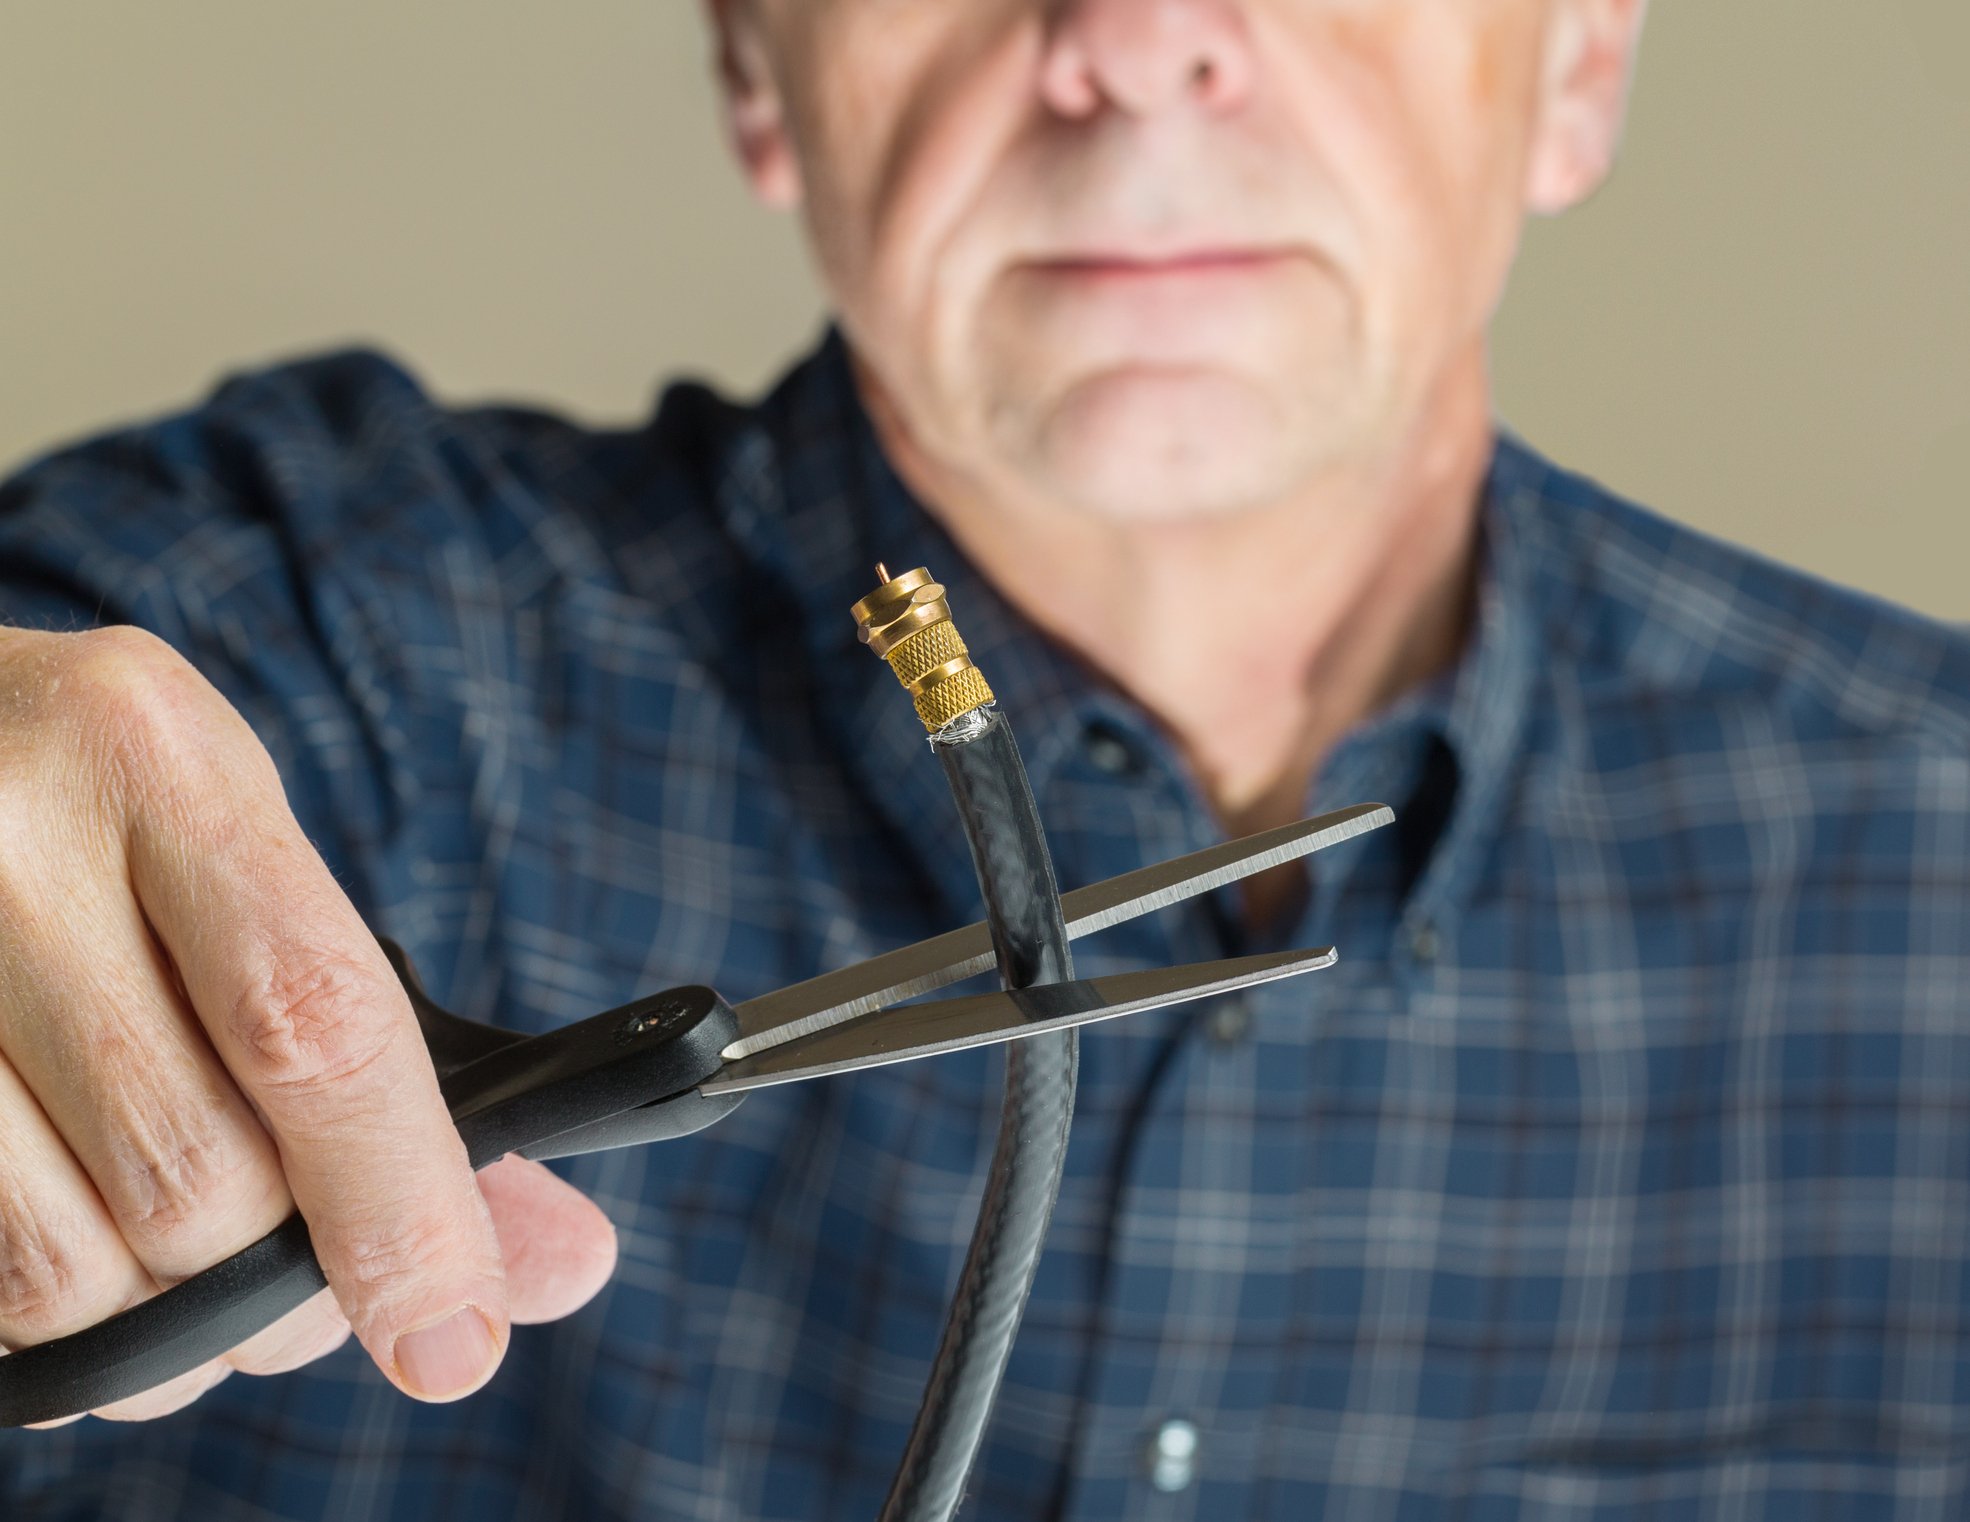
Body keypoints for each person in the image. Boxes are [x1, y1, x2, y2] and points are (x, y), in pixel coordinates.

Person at [1, 0, 1965, 1516]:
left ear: (1579, 61)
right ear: (753, 61)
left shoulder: (1930, 869)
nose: (1129, 43)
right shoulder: (309, 635)